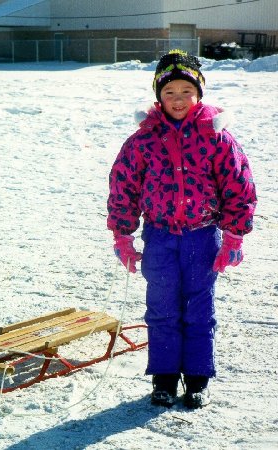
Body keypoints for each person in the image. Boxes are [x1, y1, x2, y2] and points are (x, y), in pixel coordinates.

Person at [107, 50, 257, 409]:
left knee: (198, 309)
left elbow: (239, 186)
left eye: (186, 92)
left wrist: (234, 236)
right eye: (169, 92)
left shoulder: (217, 137)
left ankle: (197, 378)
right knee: (161, 308)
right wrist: (123, 235)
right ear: (158, 96)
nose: (178, 99)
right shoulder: (142, 140)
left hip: (201, 236)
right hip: (159, 237)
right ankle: (164, 377)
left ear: (199, 95)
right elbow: (123, 186)